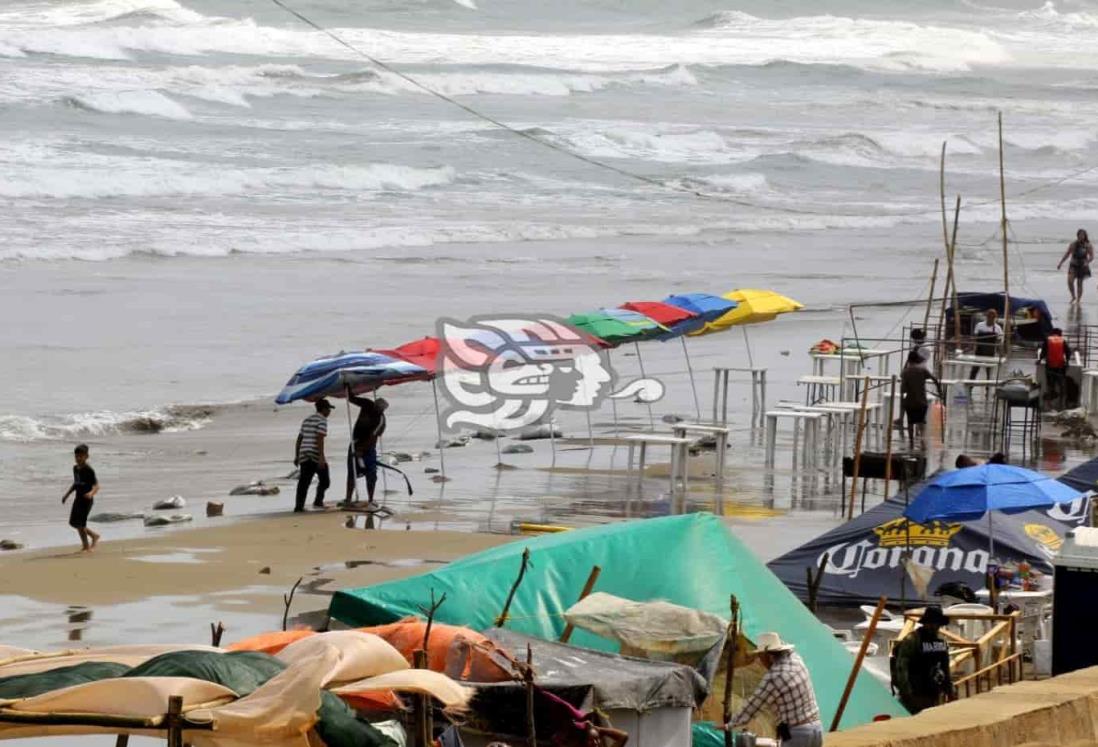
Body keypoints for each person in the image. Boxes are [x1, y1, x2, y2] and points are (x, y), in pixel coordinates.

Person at [725, 632, 822, 747]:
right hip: (815, 728)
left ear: (769, 656)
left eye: (761, 657)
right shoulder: (795, 659)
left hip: (798, 734)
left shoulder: (776, 676)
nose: (760, 661)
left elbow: (755, 704)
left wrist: (730, 725)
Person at [893, 606, 954, 714]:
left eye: (937, 623)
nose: (934, 626)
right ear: (925, 623)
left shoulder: (941, 643)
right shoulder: (912, 641)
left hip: (933, 692)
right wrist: (907, 693)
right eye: (931, 623)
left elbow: (945, 668)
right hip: (916, 693)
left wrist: (949, 690)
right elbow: (901, 668)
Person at [344, 391, 388, 505]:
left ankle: (370, 500)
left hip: (368, 449)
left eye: (380, 410)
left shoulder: (381, 420)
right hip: (355, 443)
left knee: (371, 474)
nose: (377, 411)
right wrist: (348, 387)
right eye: (376, 408)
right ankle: (348, 499)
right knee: (352, 472)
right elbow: (352, 399)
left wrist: (361, 450)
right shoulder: (367, 404)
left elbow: (373, 438)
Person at [61, 444, 101, 552]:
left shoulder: (89, 470)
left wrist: (91, 494)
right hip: (78, 499)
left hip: (86, 500)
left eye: (80, 456)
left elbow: (97, 485)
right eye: (76, 456)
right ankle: (94, 536)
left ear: (86, 456)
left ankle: (86, 546)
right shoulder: (75, 468)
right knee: (73, 522)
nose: (78, 458)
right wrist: (67, 494)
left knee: (81, 524)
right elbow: (76, 483)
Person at [294, 399, 332, 512]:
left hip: (304, 453)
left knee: (304, 482)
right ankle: (318, 501)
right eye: (329, 409)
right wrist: (321, 457)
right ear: (324, 409)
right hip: (314, 453)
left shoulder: (307, 420)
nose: (330, 411)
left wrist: (297, 455)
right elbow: (319, 439)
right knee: (325, 480)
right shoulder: (322, 420)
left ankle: (299, 506)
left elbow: (299, 438)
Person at [901, 351, 944, 451]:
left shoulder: (906, 372)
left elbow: (903, 389)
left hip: (910, 402)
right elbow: (935, 379)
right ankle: (923, 444)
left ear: (909, 360)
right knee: (921, 424)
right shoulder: (922, 370)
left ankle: (911, 443)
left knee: (910, 423)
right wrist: (940, 391)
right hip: (922, 401)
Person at [1038, 327, 1072, 409]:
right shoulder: (1062, 340)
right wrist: (1067, 361)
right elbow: (1068, 352)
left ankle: (1049, 406)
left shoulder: (1048, 339)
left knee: (1050, 385)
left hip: (1050, 366)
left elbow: (1043, 352)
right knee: (1061, 385)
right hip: (1060, 366)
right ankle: (1061, 405)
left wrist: (1039, 360)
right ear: (1059, 333)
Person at [1057, 229, 1093, 304]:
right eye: (1080, 235)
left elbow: (1092, 256)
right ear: (1077, 235)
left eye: (1083, 235)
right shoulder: (1073, 244)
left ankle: (1078, 300)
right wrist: (1060, 263)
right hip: (1073, 265)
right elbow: (1067, 254)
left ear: (1085, 236)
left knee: (1079, 284)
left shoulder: (1088, 245)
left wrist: (1087, 262)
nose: (1081, 236)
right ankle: (1073, 296)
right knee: (1070, 281)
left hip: (1082, 266)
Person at [969, 308, 1004, 381]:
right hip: (979, 351)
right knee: (974, 370)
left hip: (990, 352)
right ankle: (970, 386)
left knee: (989, 372)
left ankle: (988, 389)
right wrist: (972, 347)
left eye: (993, 317)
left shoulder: (998, 328)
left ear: (995, 318)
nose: (991, 319)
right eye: (989, 317)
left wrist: (1001, 353)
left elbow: (999, 342)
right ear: (986, 317)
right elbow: (975, 338)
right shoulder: (979, 325)